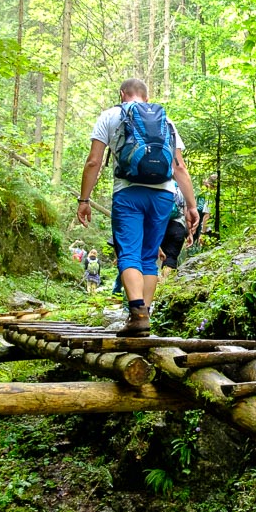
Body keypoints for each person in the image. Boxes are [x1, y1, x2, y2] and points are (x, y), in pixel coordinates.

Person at [77, 78, 199, 336]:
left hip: (128, 194)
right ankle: (145, 317)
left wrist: (84, 200)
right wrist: (191, 205)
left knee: (129, 253)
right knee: (148, 258)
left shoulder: (110, 116)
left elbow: (93, 162)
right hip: (164, 196)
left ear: (122, 94)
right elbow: (179, 167)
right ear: (146, 95)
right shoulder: (166, 122)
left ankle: (137, 313)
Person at [158, 182, 192, 276]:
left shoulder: (161, 186)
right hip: (177, 226)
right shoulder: (183, 190)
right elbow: (187, 214)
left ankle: (154, 285)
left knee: (154, 257)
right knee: (170, 258)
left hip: (160, 226)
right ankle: (165, 285)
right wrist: (190, 233)